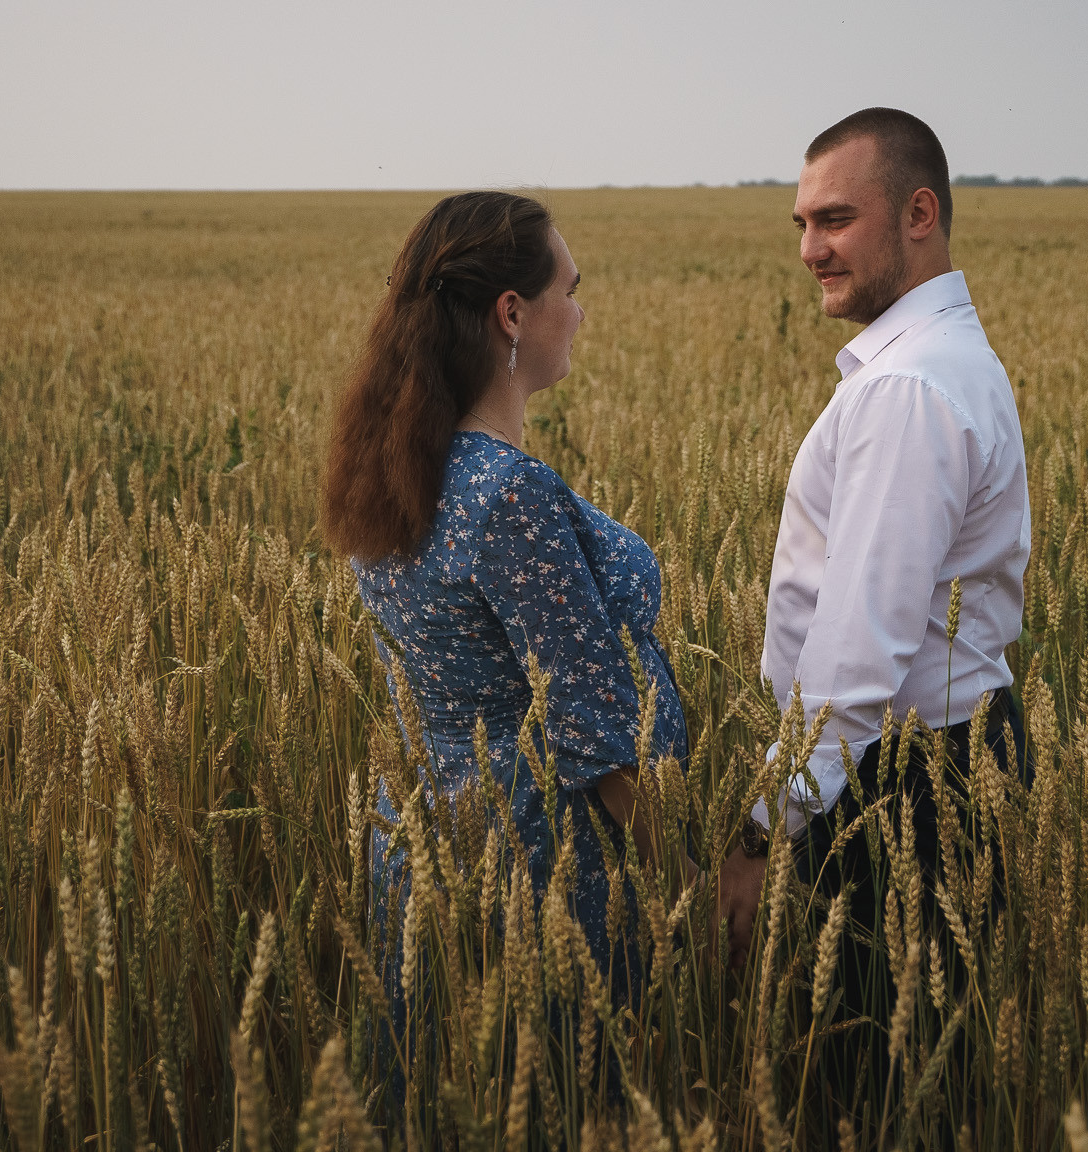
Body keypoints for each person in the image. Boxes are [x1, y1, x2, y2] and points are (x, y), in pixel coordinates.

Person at [320, 191, 691, 1090]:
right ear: (512, 313)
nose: (582, 309)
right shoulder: (507, 494)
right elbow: (595, 733)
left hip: (430, 836)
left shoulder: (401, 467)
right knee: (554, 1098)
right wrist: (684, 880)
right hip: (545, 869)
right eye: (571, 286)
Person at [715, 108, 1032, 1131]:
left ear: (920, 214)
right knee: (920, 1081)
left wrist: (766, 830)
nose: (811, 250)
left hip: (902, 783)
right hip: (923, 762)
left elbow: (859, 649)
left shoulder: (907, 390)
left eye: (838, 220)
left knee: (878, 1097)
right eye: (802, 223)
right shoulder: (937, 365)